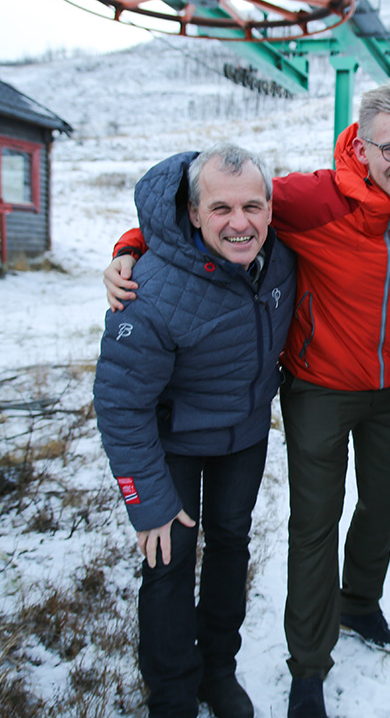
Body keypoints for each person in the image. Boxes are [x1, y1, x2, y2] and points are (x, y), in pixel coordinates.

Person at [104, 83, 390, 718]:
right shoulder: (307, 198)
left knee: (375, 509)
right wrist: (130, 248)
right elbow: (208, 208)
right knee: (310, 526)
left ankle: (358, 605)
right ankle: (307, 668)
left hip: (388, 389)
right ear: (361, 145)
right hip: (318, 387)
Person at [93, 143, 297, 718]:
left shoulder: (280, 258)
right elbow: (119, 404)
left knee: (231, 545)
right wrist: (146, 499)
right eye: (221, 209)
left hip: (243, 437)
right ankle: (173, 694)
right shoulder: (148, 292)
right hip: (172, 445)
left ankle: (217, 669)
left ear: (270, 208)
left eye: (252, 207)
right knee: (169, 559)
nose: (240, 223)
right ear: (192, 212)